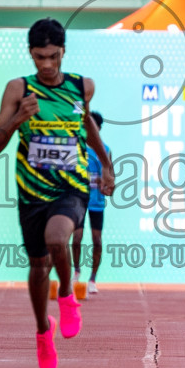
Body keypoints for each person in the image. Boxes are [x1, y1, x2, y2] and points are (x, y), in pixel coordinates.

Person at [0, 18, 113, 368]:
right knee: (37, 264)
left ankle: (67, 295)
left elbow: (85, 124)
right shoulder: (18, 88)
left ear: (63, 52)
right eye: (39, 57)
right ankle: (44, 330)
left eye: (53, 56)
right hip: (31, 190)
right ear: (30, 53)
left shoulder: (81, 86)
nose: (46, 65)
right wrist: (17, 120)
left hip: (70, 186)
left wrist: (105, 164)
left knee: (58, 238)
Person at [71, 111, 111, 295]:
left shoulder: (106, 150)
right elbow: (71, 174)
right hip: (78, 200)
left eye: (92, 126)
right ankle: (76, 270)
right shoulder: (77, 147)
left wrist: (107, 186)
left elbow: (110, 179)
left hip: (96, 202)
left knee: (97, 241)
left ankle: (93, 279)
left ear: (99, 128)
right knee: (77, 238)